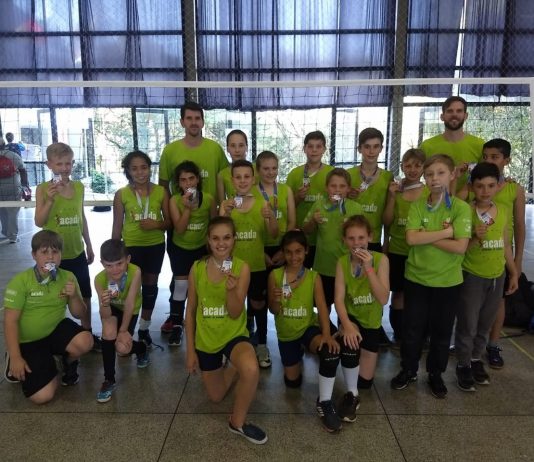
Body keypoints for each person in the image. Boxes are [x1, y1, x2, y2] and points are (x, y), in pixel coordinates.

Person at [390, 154, 471, 399]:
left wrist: (427, 235)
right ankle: (408, 370)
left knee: (441, 332)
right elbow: (411, 238)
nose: (435, 178)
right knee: (412, 329)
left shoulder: (460, 208)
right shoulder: (417, 205)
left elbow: (460, 247)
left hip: (447, 282)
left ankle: (435, 373)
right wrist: (446, 233)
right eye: (430, 174)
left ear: (452, 175)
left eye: (441, 173)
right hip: (417, 279)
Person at [185, 216, 268, 445]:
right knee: (216, 396)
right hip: (206, 338)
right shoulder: (197, 268)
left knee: (251, 369)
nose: (221, 243)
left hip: (233, 334)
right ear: (208, 240)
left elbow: (234, 312)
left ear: (234, 239)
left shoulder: (242, 268)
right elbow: (190, 311)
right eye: (216, 238)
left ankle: (237, 422)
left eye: (226, 238)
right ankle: (231, 366)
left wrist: (231, 290)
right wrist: (190, 351)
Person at [158, 101, 228, 334]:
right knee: (180, 277)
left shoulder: (215, 149)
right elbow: (163, 186)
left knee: (206, 275)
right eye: (189, 118)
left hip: (206, 229)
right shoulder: (170, 151)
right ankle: (176, 318)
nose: (193, 122)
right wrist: (171, 216)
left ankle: (203, 316)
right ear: (182, 122)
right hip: (180, 225)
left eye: (197, 118)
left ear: (203, 122)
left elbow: (225, 179)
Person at [3, 230, 93, 403]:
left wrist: (74, 296)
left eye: (55, 252)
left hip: (55, 331)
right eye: (44, 252)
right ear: (34, 255)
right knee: (43, 396)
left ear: (61, 255)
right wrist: (15, 356)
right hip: (29, 341)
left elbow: (79, 314)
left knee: (85, 340)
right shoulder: (21, 281)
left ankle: (64, 361)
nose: (50, 257)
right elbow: (10, 321)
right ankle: (22, 358)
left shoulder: (68, 276)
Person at [267, 230, 341, 432]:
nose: (294, 257)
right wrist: (275, 300)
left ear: (306, 251)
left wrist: (326, 335)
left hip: (308, 327)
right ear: (283, 253)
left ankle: (324, 401)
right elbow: (273, 310)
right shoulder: (275, 276)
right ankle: (297, 354)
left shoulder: (313, 277)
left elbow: (322, 307)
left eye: (298, 251)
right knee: (293, 382)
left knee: (329, 352)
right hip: (286, 334)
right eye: (289, 252)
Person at [454, 162, 518, 392]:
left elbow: (505, 245)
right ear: (472, 187)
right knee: (468, 324)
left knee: (485, 323)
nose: (485, 191)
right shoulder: (465, 211)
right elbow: (460, 248)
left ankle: (475, 359)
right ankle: (463, 364)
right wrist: (474, 237)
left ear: (498, 186)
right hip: (472, 275)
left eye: (491, 185)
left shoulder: (502, 211)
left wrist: (513, 272)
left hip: (496, 276)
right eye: (480, 186)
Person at [464, 139, 526, 368]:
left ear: (506, 161)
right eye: (485, 156)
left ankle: (492, 345)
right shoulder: (474, 186)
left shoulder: (513, 188)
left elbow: (519, 225)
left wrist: (516, 262)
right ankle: (466, 351)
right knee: (470, 309)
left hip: (499, 256)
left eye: (495, 157)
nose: (489, 160)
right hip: (473, 259)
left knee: (496, 303)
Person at [34, 142, 99, 349]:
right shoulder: (43, 189)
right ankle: (54, 336)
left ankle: (87, 331)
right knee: (54, 294)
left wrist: (89, 244)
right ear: (49, 164)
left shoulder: (78, 187)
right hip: (53, 256)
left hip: (76, 252)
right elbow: (39, 222)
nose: (64, 168)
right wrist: (50, 201)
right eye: (59, 164)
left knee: (84, 294)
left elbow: (81, 217)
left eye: (68, 163)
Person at [219, 160, 278, 368]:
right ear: (232, 180)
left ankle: (261, 344)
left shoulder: (263, 204)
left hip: (256, 266)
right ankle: (230, 344)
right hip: (231, 266)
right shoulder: (226, 205)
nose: (242, 181)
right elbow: (220, 234)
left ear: (253, 179)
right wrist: (224, 213)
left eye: (246, 177)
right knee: (231, 304)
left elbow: (273, 234)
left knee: (258, 304)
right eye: (238, 177)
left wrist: (271, 218)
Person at [112, 151, 170, 348]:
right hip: (131, 247)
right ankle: (126, 330)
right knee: (131, 288)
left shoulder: (161, 192)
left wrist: (156, 224)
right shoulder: (121, 194)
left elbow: (169, 222)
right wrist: (114, 253)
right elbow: (117, 226)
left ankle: (144, 329)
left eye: (144, 167)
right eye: (135, 168)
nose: (140, 172)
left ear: (150, 168)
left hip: (155, 246)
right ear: (128, 171)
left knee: (150, 287)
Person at [334, 215, 390, 391]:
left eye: (361, 238)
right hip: (351, 318)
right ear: (344, 240)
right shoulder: (342, 262)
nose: (356, 243)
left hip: (371, 322)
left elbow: (383, 299)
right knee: (350, 344)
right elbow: (338, 299)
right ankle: (342, 337)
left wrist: (368, 268)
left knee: (365, 384)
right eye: (351, 238)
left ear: (370, 237)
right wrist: (347, 326)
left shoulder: (381, 260)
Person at [94, 239, 150, 403]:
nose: (115, 269)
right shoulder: (99, 279)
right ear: (102, 264)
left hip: (130, 310)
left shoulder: (135, 272)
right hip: (112, 309)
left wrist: (123, 331)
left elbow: (130, 303)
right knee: (108, 332)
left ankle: (141, 348)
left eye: (119, 263)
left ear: (128, 259)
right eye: (109, 265)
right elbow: (105, 315)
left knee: (122, 348)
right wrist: (104, 303)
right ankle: (109, 379)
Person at [167, 160, 217, 346]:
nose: (188, 183)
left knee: (202, 286)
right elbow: (179, 229)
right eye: (183, 180)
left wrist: (211, 250)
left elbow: (214, 226)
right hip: (180, 248)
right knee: (181, 287)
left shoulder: (209, 199)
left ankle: (200, 322)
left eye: (191, 178)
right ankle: (176, 325)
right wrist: (188, 209)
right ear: (178, 183)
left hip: (201, 249)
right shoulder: (174, 201)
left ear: (198, 179)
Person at [382, 148, 426, 343]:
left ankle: (417, 334)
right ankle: (399, 334)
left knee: (418, 294)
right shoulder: (396, 191)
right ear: (402, 167)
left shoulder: (428, 192)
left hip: (421, 252)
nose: (413, 170)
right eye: (408, 166)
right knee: (398, 293)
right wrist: (392, 197)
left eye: (417, 165)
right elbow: (386, 221)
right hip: (398, 250)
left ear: (424, 168)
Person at [302, 168, 363, 309]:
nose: (337, 190)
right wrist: (313, 221)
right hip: (324, 268)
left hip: (348, 268)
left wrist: (350, 228)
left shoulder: (356, 208)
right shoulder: (319, 205)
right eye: (333, 186)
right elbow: (306, 230)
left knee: (347, 308)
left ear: (348, 189)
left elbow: (363, 239)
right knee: (323, 307)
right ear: (326, 188)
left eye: (342, 186)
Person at [286, 131, 333, 268]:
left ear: (324, 149)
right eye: (310, 146)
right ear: (304, 149)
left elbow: (338, 201)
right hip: (300, 237)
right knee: (300, 274)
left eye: (318, 146)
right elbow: (287, 207)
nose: (314, 150)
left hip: (324, 236)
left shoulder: (331, 173)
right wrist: (298, 197)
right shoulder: (294, 174)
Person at [419, 96, 484, 192]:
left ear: (466, 116)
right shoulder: (427, 146)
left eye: (459, 111)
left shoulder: (480, 145)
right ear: (442, 116)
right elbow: (415, 175)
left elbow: (488, 175)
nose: (454, 114)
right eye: (450, 111)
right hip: (436, 199)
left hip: (470, 200)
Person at [347, 127, 393, 252]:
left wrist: (386, 242)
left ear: (381, 148)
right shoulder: (348, 175)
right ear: (359, 149)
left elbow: (388, 213)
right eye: (367, 147)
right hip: (351, 239)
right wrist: (346, 196)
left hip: (374, 239)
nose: (371, 151)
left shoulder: (388, 177)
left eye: (375, 146)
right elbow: (336, 203)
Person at [255, 150, 296, 271]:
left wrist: (284, 249)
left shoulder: (286, 190)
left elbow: (292, 221)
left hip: (282, 245)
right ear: (257, 170)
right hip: (259, 246)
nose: (271, 172)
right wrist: (260, 252)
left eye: (274, 168)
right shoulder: (251, 192)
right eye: (266, 169)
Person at [0, 145, 29, 243]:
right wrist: (25, 185)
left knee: (2, 211)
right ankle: (13, 236)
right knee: (13, 211)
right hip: (13, 187)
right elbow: (23, 170)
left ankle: (5, 231)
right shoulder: (13, 155)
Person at [217, 129, 249, 202]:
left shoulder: (257, 170)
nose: (237, 150)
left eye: (241, 145)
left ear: (246, 147)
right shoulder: (222, 175)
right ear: (227, 149)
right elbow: (222, 204)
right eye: (233, 146)